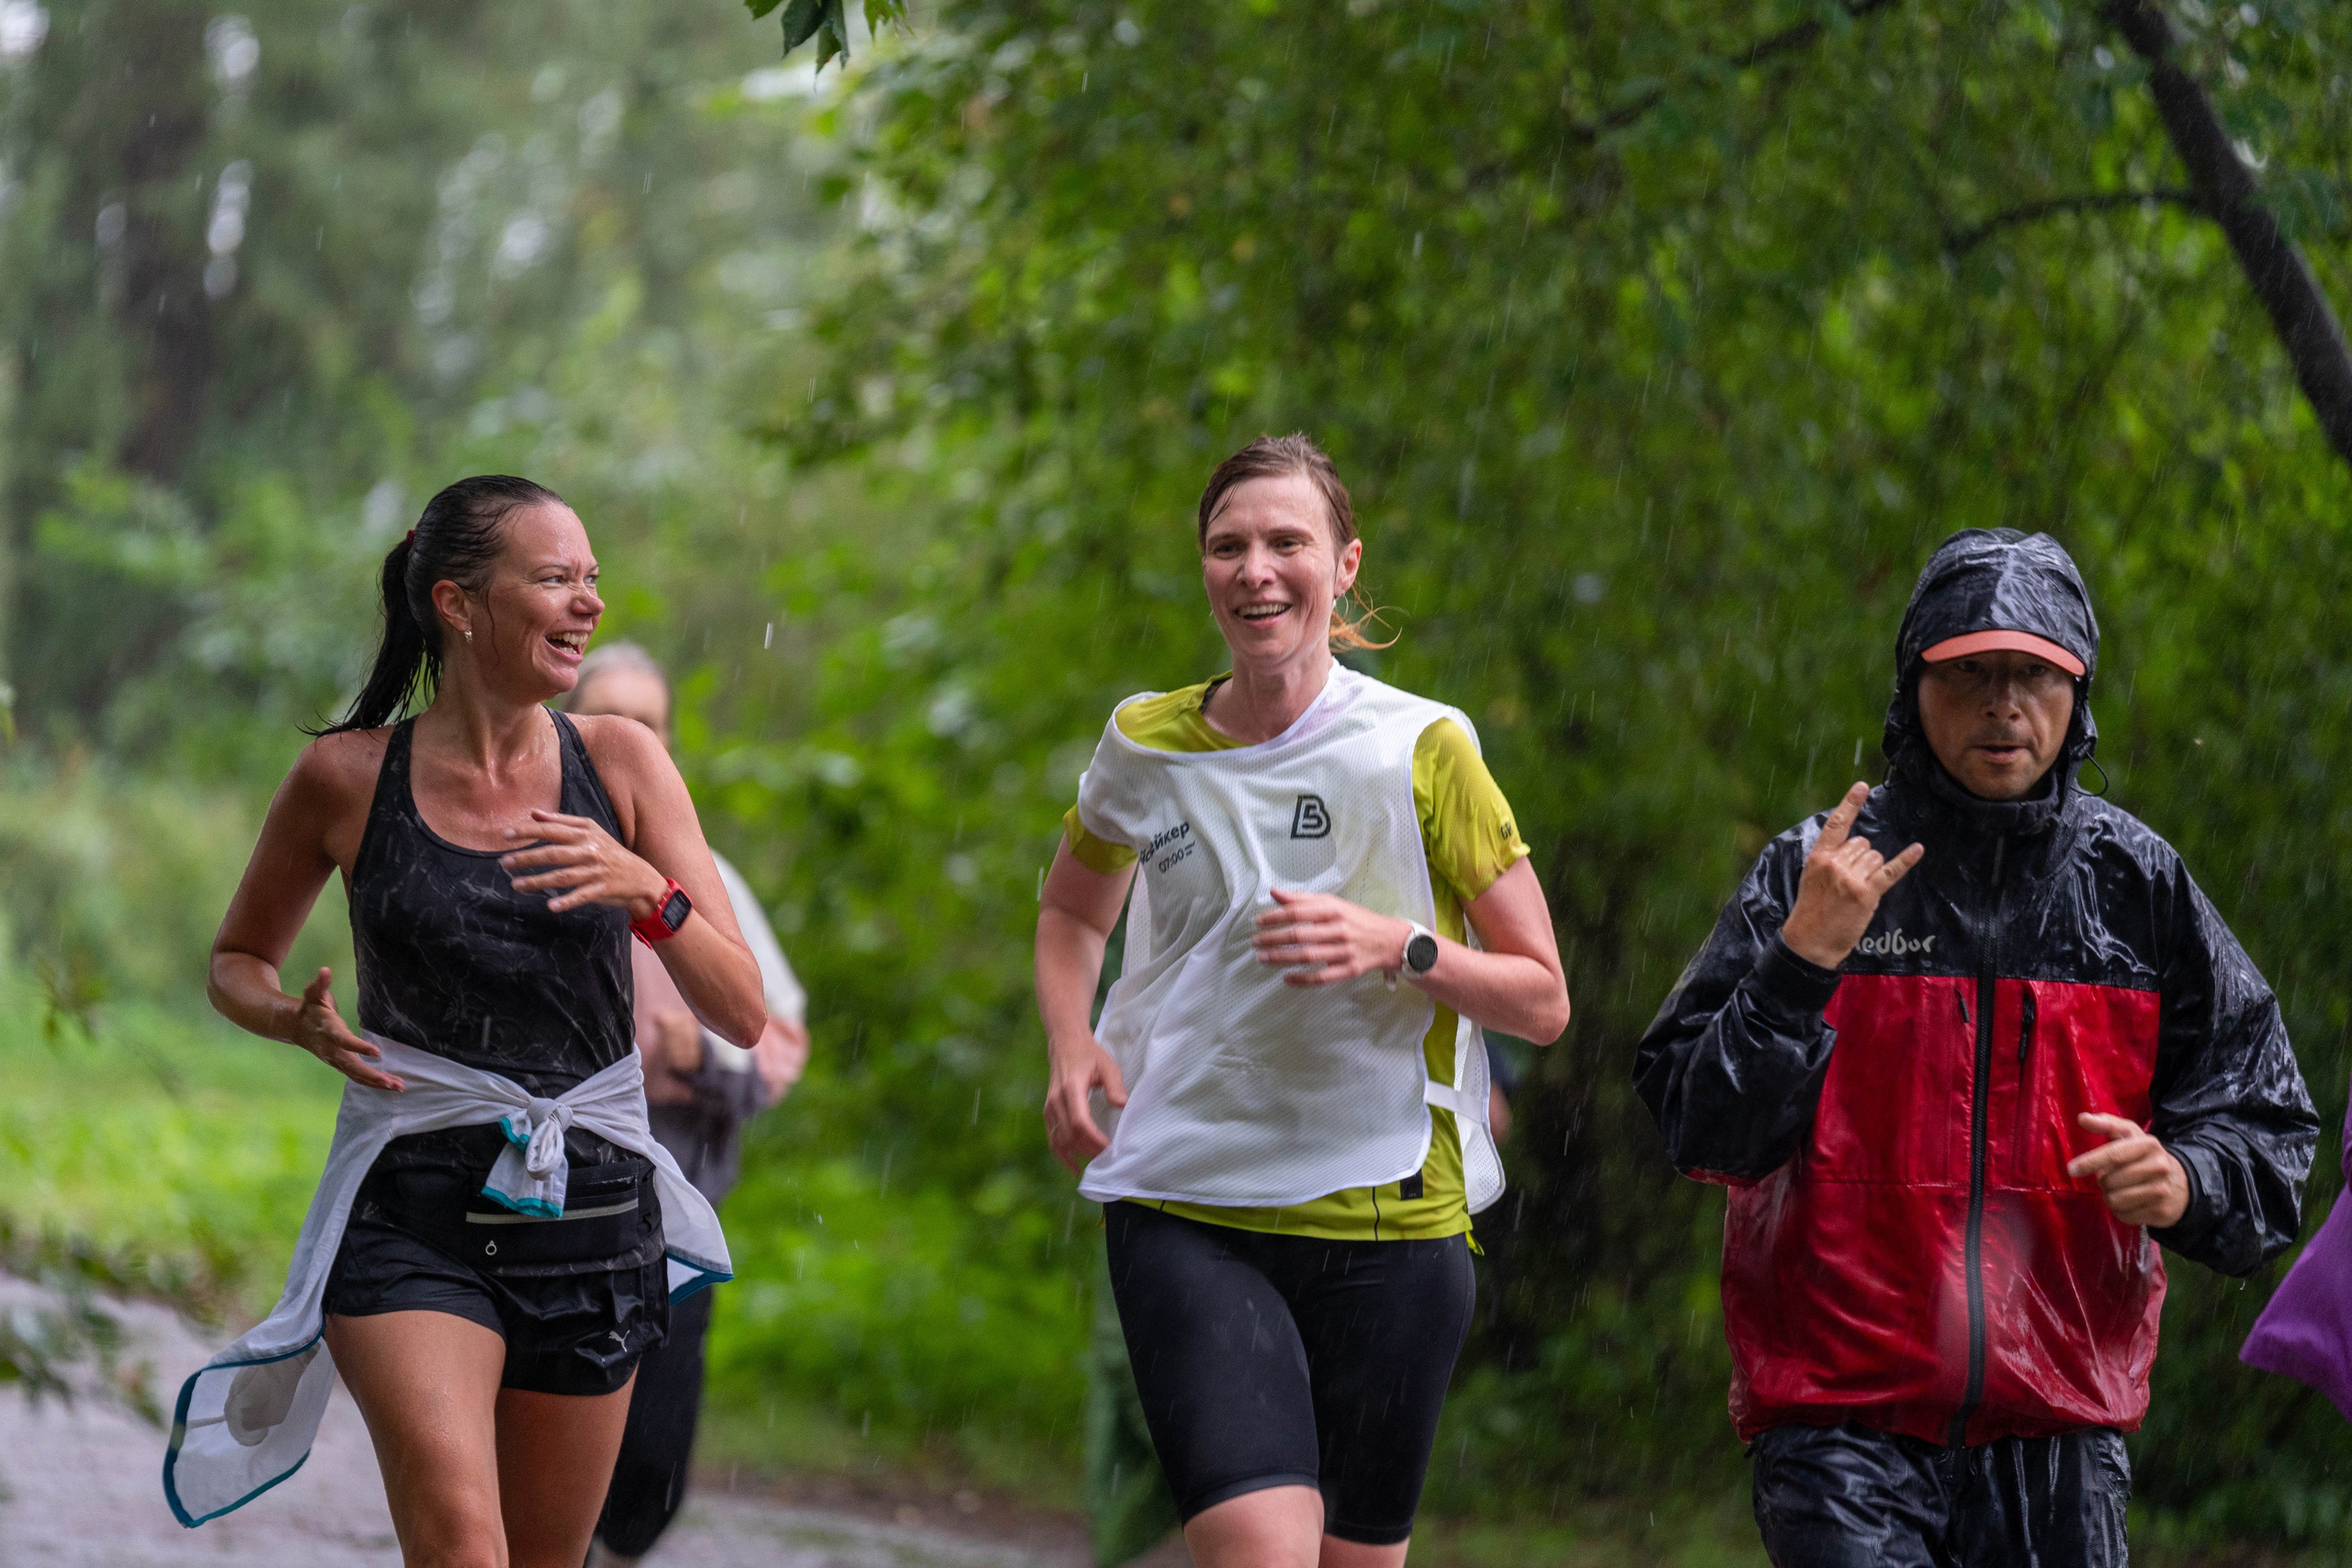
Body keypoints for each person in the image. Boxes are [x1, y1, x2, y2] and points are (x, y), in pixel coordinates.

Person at [1634, 527, 2317, 1567]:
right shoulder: (1816, 870)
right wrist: (1799, 963)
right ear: (1915, 687)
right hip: (1837, 1423)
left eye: (2033, 675)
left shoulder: (2136, 886)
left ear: (2076, 694)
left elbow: (2266, 1131)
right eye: (1970, 674)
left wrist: (2189, 1175)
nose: (2003, 706)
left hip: (2062, 1428)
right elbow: (1701, 1129)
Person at [193, 477, 767, 1567]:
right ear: (457, 604)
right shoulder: (346, 778)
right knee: (463, 1544)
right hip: (411, 1209)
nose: (589, 601)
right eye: (555, 578)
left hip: (593, 1217)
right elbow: (234, 962)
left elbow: (738, 1010)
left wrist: (648, 891)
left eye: (592, 576)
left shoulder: (624, 764)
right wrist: (291, 1021)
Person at [1035, 434, 1571, 1567]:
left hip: (1390, 1217)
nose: (1255, 569)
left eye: (1287, 542)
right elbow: (1075, 913)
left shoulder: (1421, 747)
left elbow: (1540, 1001)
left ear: (1344, 565)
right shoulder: (1145, 742)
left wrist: (1401, 946)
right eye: (1228, 547)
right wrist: (1070, 1040)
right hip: (1187, 1201)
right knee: (1258, 1555)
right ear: (1204, 572)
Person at [568, 642, 810, 1568]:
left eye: (651, 724)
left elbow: (771, 1046)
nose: (632, 738)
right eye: (612, 717)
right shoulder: (517, 847)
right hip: (533, 1209)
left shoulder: (710, 878)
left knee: (652, 1464)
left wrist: (697, 1055)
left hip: (673, 1217)